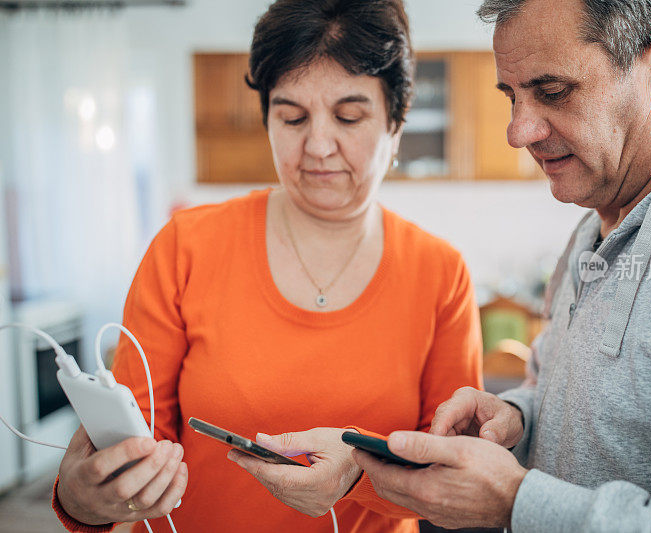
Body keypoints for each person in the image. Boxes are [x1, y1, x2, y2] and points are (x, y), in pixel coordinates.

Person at [354, 0, 651, 531]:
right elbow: (569, 394)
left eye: (552, 91)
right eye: (512, 97)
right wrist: (518, 416)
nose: (518, 132)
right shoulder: (596, 224)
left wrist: (518, 502)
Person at [51, 1, 482, 532]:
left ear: (395, 121)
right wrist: (85, 501)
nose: (319, 145)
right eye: (292, 117)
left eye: (349, 116)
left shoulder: (440, 273)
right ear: (266, 119)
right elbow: (134, 447)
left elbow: (454, 481)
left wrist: (358, 478)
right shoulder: (185, 247)